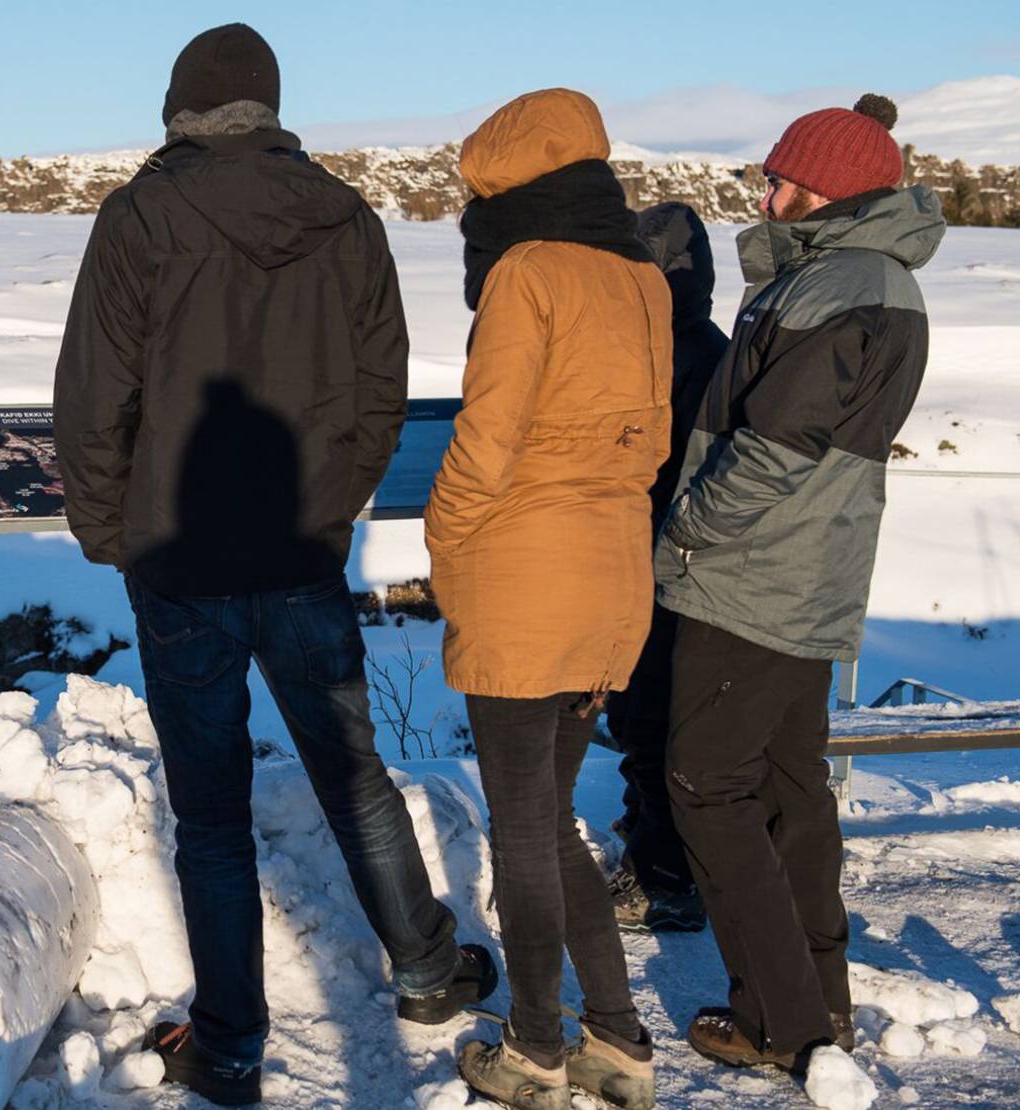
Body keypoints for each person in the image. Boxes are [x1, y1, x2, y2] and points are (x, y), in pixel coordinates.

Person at [53, 24, 494, 1107]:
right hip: (299, 551)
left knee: (208, 814)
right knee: (353, 774)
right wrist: (331, 504)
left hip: (179, 555)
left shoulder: (139, 216)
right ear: (269, 108)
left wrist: (111, 530)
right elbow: (379, 389)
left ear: (179, 110)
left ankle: (233, 1046)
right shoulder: (344, 218)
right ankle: (428, 971)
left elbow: (93, 394)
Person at [654, 94, 945, 1073]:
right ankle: (820, 1003)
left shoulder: (840, 286)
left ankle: (784, 1020)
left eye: (775, 179)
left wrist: (685, 535)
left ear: (822, 190)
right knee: (787, 788)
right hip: (803, 575)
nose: (763, 195)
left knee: (707, 785)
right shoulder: (858, 278)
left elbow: (775, 449)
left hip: (753, 578)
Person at [425, 88, 670, 1110]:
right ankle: (615, 1038)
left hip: (524, 570)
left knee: (521, 831)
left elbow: (487, 437)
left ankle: (533, 1053)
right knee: (555, 819)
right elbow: (649, 444)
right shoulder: (641, 278)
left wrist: (446, 538)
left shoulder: (526, 271)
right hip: (615, 572)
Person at [603, 202, 729, 934]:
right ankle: (649, 842)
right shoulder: (697, 344)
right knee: (643, 715)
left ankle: (665, 878)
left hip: (662, 564)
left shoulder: (673, 353)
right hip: (660, 560)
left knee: (651, 719)